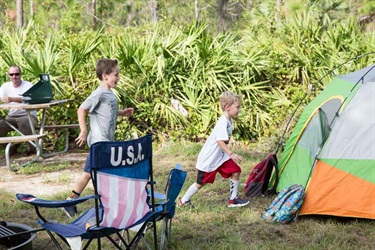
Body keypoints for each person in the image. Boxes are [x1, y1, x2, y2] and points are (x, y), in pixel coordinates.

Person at [63, 58, 134, 218]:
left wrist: (122, 113)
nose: (118, 77)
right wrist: (83, 131)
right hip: (99, 142)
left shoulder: (108, 94)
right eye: (116, 74)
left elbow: (107, 112)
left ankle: (75, 201)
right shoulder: (99, 93)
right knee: (92, 173)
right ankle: (74, 202)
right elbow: (82, 109)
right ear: (105, 76)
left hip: (106, 142)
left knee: (93, 173)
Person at [178, 91, 249, 208]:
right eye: (237, 107)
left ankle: (233, 200)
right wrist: (231, 154)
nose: (239, 110)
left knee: (235, 170)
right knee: (201, 183)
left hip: (220, 157)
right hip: (210, 159)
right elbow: (220, 141)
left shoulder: (229, 120)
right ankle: (183, 201)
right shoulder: (222, 122)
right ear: (227, 107)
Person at [0, 65, 38, 154]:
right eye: (11, 74)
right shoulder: (5, 86)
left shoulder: (28, 85)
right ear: (8, 75)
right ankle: (10, 148)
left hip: (28, 115)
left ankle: (31, 149)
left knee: (24, 124)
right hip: (11, 117)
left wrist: (13, 99)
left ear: (21, 74)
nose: (14, 77)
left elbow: (30, 99)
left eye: (16, 74)